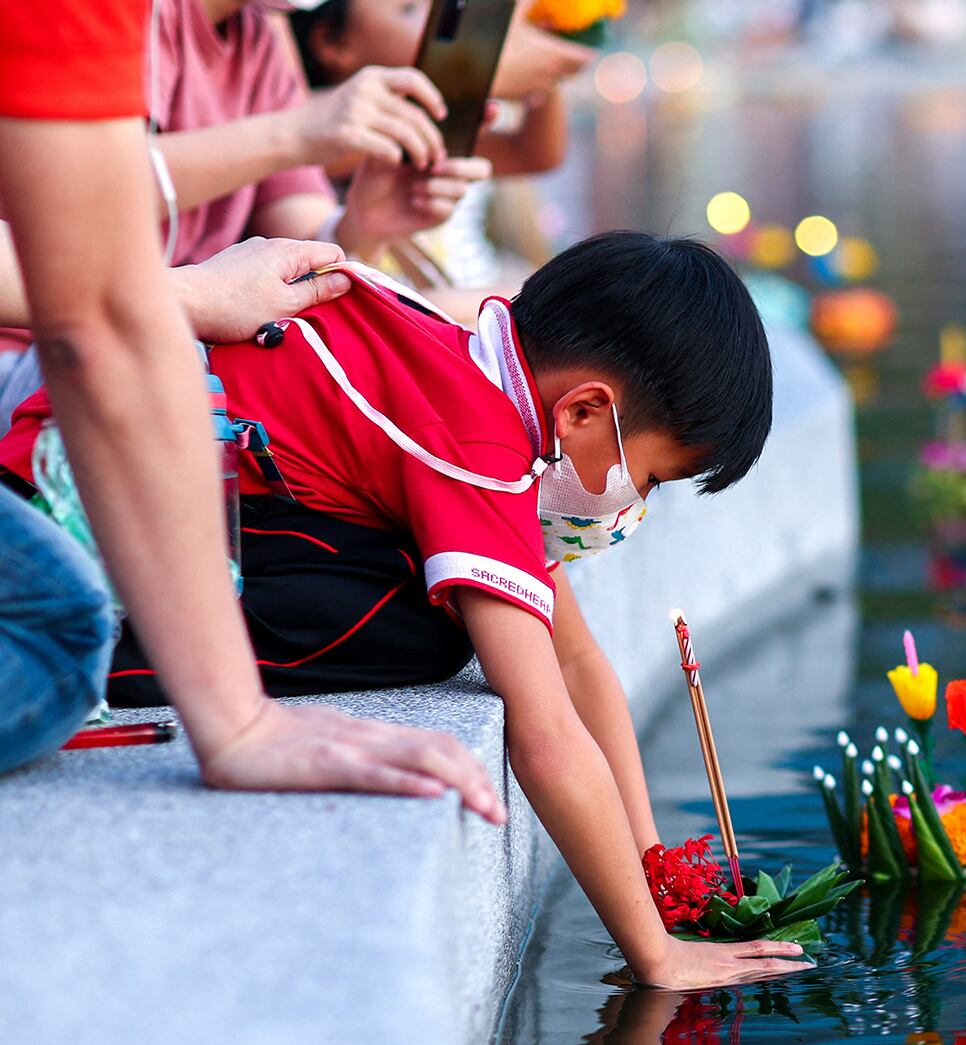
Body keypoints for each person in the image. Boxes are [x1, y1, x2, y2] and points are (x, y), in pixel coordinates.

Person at [3, 231, 803, 990]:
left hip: (72, 478)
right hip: (73, 558)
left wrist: (652, 863)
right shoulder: (482, 446)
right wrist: (656, 955)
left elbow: (576, 656)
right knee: (425, 629)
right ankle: (132, 661)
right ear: (584, 411)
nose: (637, 505)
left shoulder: (456, 358)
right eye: (652, 478)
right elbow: (547, 733)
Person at [0, 2, 505, 812]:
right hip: (48, 372)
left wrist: (363, 226)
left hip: (138, 353)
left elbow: (281, 262)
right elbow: (96, 301)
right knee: (58, 628)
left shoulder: (260, 40)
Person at [0, 0, 490, 418]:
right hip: (35, 353)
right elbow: (67, 194)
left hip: (168, 349)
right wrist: (294, 132)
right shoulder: (110, 17)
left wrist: (365, 223)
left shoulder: (258, 40)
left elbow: (306, 242)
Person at [291, 0, 594, 301]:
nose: (438, 18)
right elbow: (332, 148)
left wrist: (544, 64)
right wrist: (469, 74)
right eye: (410, 8)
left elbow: (532, 154)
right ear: (332, 43)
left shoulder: (433, 124)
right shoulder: (317, 137)